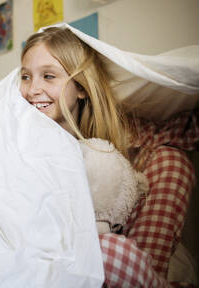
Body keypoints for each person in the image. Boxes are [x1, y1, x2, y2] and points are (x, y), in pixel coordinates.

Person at [19, 26, 196, 286]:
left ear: (80, 88)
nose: (33, 89)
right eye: (25, 77)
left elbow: (181, 130)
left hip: (126, 252)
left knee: (172, 159)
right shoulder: (20, 142)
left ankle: (151, 279)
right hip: (61, 252)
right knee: (106, 253)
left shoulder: (117, 134)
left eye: (48, 76)